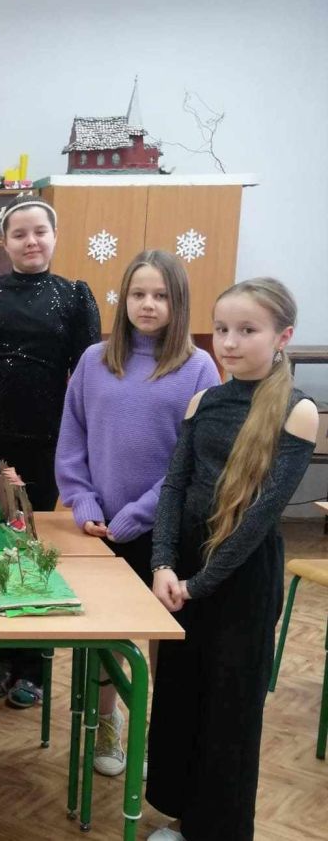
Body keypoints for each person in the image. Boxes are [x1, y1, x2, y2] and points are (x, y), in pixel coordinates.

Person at [145, 279, 316, 841]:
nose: (229, 342)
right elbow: (174, 487)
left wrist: (199, 584)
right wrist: (164, 565)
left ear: (283, 336)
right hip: (186, 570)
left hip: (240, 578)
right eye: (221, 329)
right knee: (183, 694)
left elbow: (259, 519)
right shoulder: (205, 401)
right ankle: (179, 814)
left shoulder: (297, 411)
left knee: (229, 709)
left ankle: (215, 829)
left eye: (247, 330)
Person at [55, 250, 220, 776]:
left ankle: (158, 738)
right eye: (138, 294)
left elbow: (194, 460)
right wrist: (83, 500)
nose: (148, 305)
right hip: (100, 528)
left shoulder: (198, 368)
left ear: (179, 302)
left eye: (161, 296)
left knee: (161, 644)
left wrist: (141, 514)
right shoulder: (94, 361)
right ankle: (107, 722)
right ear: (123, 299)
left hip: (165, 532)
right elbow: (72, 439)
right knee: (108, 636)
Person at [0, 194, 100, 710]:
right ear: (5, 242)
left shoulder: (75, 296)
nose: (31, 241)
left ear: (54, 237)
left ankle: (34, 665)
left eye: (40, 232)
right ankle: (4, 657)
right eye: (19, 233)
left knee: (32, 548)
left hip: (48, 442)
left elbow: (87, 375)